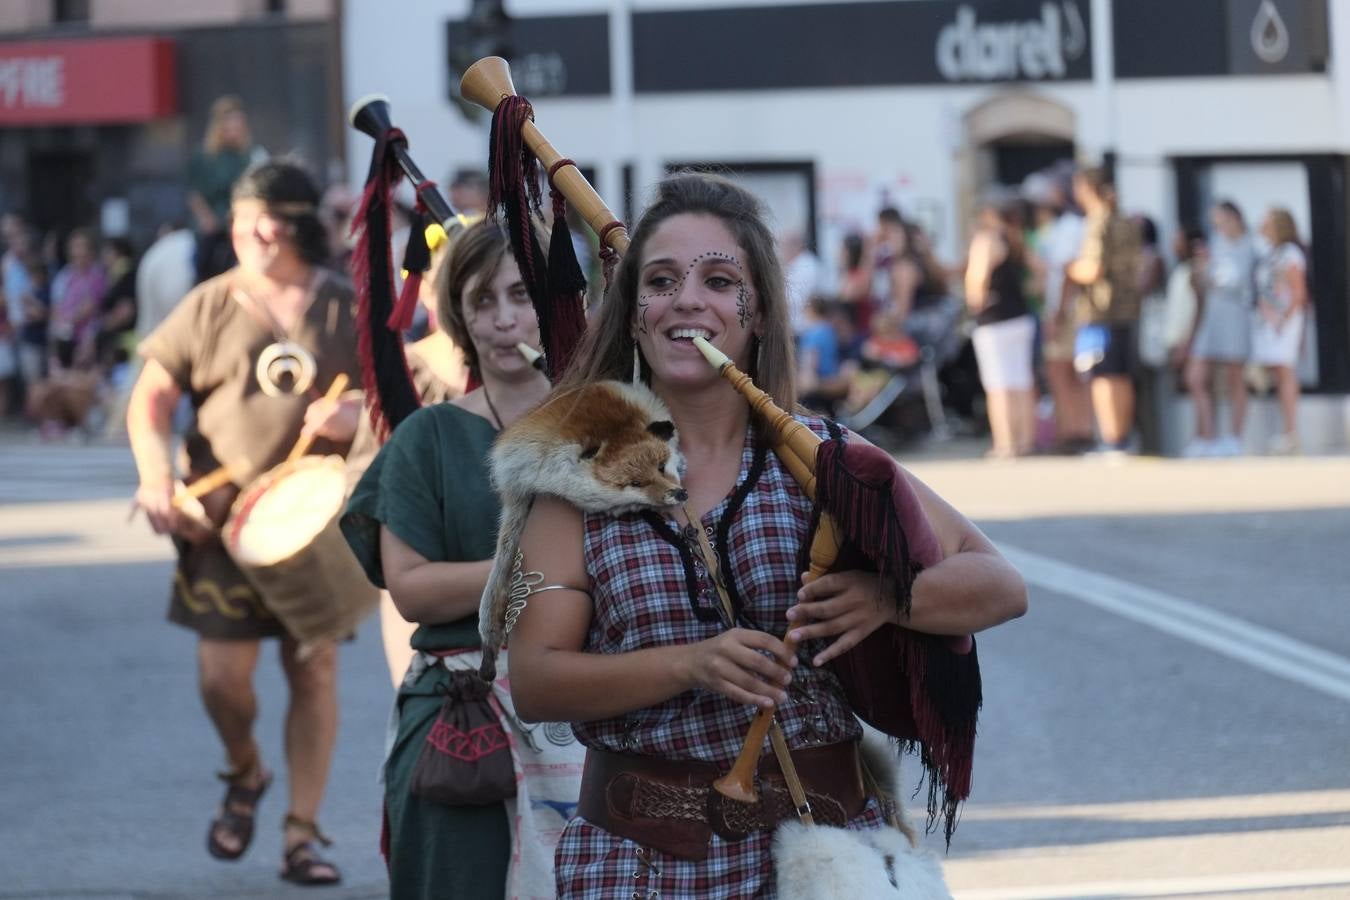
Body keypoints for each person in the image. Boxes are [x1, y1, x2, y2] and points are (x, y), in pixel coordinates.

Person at [502, 173, 1027, 896]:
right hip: (638, 864)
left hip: (818, 858)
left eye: (720, 281)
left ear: (756, 315)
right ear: (633, 316)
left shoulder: (824, 460)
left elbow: (998, 585)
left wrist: (885, 598)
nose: (688, 299)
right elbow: (536, 680)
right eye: (660, 280)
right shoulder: (577, 478)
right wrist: (691, 664)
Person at [126, 160, 362, 886]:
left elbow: (395, 398)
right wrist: (158, 476)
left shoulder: (345, 306)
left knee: (313, 669)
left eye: (265, 217)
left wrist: (357, 415)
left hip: (311, 520)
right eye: (239, 219)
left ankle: (302, 834)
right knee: (221, 678)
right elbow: (151, 399)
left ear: (296, 222)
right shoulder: (208, 304)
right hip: (222, 522)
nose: (250, 232)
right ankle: (245, 770)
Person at [342, 219, 577, 898]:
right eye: (482, 302)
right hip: (461, 720)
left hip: (595, 711)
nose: (504, 321)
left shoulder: (606, 427)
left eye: (521, 295)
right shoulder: (429, 436)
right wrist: (537, 570)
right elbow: (412, 589)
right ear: (459, 318)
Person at [344, 221, 471, 688]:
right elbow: (364, 478)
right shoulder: (405, 372)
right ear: (429, 296)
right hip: (423, 582)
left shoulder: (543, 376)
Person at [1067, 167, 1141, 454]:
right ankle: (1122, 439)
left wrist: (1069, 269)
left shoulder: (1098, 221)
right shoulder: (1126, 220)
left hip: (1100, 309)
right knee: (1121, 375)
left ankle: (1111, 440)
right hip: (1127, 307)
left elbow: (1093, 268)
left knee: (1104, 377)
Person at [1184, 201, 1255, 457]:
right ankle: (1206, 436)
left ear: (1235, 218)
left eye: (1222, 220)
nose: (1219, 226)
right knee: (1196, 377)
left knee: (1235, 378)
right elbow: (1205, 285)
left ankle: (1235, 438)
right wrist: (1200, 271)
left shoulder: (1249, 245)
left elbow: (1240, 281)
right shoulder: (1216, 243)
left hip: (1235, 317)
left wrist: (1216, 276)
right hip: (1211, 319)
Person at [965, 203, 1036, 458]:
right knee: (1021, 381)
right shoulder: (1017, 240)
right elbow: (1039, 272)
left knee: (998, 384)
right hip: (1020, 317)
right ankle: (1026, 441)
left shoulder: (986, 240)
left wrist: (975, 303)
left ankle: (1006, 443)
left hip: (994, 320)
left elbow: (977, 282)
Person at [1029, 173, 1093, 453]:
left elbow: (1066, 272)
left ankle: (1073, 432)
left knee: (1061, 372)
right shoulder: (1075, 225)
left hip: (1066, 309)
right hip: (1070, 308)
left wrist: (1057, 313)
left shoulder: (1070, 227)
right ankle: (1077, 430)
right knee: (1071, 373)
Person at [188, 95, 267, 283]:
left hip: (242, 222)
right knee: (207, 262)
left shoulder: (252, 155)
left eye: (237, 122)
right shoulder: (205, 157)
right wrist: (208, 219)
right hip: (215, 226)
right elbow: (195, 193)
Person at [1252, 208, 1309, 454]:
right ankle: (1284, 431)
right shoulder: (1269, 253)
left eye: (1266, 222)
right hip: (1268, 321)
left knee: (1285, 371)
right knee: (1273, 372)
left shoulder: (1291, 253)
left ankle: (1291, 432)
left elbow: (1298, 292)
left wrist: (1282, 321)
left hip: (1284, 322)